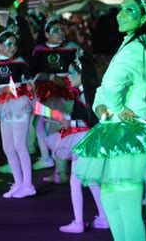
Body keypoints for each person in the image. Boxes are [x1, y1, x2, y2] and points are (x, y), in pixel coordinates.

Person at [73, 0, 146, 241]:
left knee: (124, 201)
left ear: (145, 17)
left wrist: (116, 108)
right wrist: (102, 105)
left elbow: (110, 84)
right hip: (121, 129)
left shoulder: (136, 47)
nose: (120, 14)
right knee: (113, 198)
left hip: (126, 132)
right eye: (121, 9)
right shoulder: (135, 43)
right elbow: (106, 86)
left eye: (129, 10)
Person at [45, 51, 109, 233]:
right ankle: (103, 217)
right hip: (87, 139)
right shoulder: (85, 93)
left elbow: (93, 119)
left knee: (77, 181)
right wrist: (67, 119)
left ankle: (79, 222)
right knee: (92, 180)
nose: (68, 77)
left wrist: (71, 122)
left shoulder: (87, 94)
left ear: (82, 74)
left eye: (72, 73)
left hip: (85, 140)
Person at [0, 16, 35, 199]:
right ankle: (18, 182)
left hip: (19, 103)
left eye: (14, 44)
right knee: (8, 147)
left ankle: (28, 184)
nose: (12, 48)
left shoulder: (19, 61)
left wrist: (28, 85)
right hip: (3, 105)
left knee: (20, 145)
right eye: (8, 44)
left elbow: (29, 80)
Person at [29, 15, 80, 171]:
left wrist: (70, 78)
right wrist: (51, 77)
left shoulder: (72, 46)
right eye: (55, 30)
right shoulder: (39, 50)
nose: (61, 33)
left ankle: (60, 162)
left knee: (58, 124)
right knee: (38, 123)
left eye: (61, 29)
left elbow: (81, 66)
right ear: (46, 34)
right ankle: (47, 157)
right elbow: (34, 71)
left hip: (67, 90)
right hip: (44, 90)